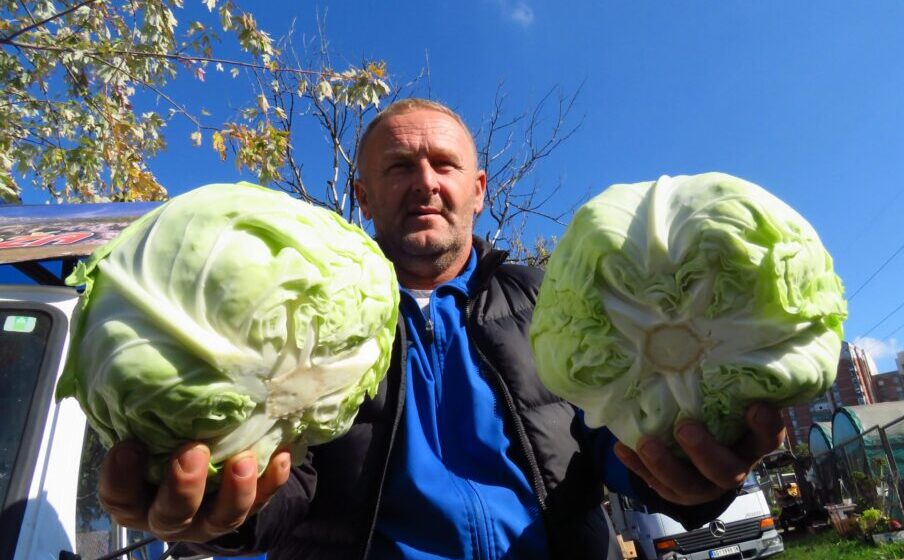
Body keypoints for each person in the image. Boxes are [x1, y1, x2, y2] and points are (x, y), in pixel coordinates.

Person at [97, 99, 786, 559]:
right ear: (362, 194)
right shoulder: (299, 322)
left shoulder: (552, 302)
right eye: (398, 167)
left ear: (478, 189)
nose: (424, 182)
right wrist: (227, 516)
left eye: (445, 165)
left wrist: (687, 477)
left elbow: (615, 437)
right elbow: (285, 481)